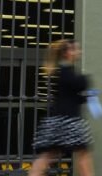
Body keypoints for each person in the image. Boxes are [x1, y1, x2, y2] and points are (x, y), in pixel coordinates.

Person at [28, 40, 94, 176]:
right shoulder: (65, 71)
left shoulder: (59, 71)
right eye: (75, 49)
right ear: (67, 53)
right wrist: (85, 80)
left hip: (56, 120)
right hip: (69, 120)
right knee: (83, 154)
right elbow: (79, 84)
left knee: (47, 155)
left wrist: (83, 96)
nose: (79, 52)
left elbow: (71, 94)